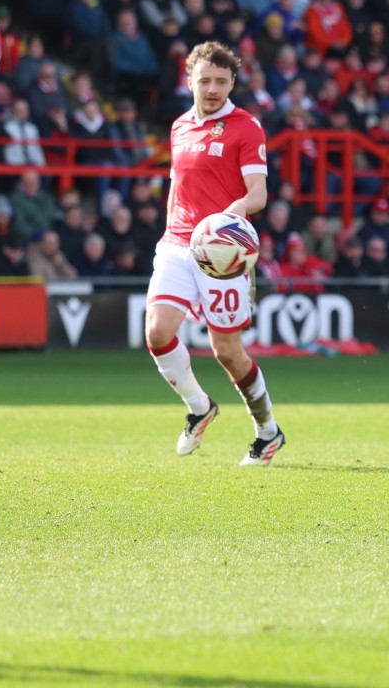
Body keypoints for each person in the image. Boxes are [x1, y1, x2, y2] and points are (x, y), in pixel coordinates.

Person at [144, 40, 285, 467]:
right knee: (157, 331)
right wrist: (168, 232)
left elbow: (258, 193)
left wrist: (233, 212)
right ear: (189, 80)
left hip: (220, 253)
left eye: (221, 81)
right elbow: (175, 187)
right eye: (204, 80)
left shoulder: (246, 127)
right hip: (177, 243)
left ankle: (268, 431)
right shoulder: (179, 126)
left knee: (227, 353)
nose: (212, 89)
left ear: (233, 82)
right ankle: (199, 406)